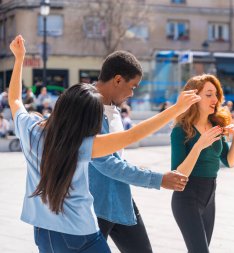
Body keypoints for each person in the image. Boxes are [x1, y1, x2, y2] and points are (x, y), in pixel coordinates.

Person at [8, 35, 198, 252]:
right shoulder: (83, 145)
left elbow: (15, 100)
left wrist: (19, 58)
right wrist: (176, 109)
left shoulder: (30, 129)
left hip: (43, 232)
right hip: (82, 234)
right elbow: (133, 135)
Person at [89, 50, 200, 253]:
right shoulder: (88, 107)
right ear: (117, 80)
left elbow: (119, 153)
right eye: (132, 87)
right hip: (95, 205)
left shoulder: (112, 108)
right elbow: (106, 163)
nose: (132, 93)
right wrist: (158, 179)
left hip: (120, 199)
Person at [170, 74, 234, 253]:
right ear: (194, 97)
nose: (215, 99)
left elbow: (229, 162)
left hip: (210, 196)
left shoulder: (215, 125)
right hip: (187, 197)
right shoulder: (180, 131)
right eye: (209, 94)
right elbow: (178, 175)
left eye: (216, 94)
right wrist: (200, 145)